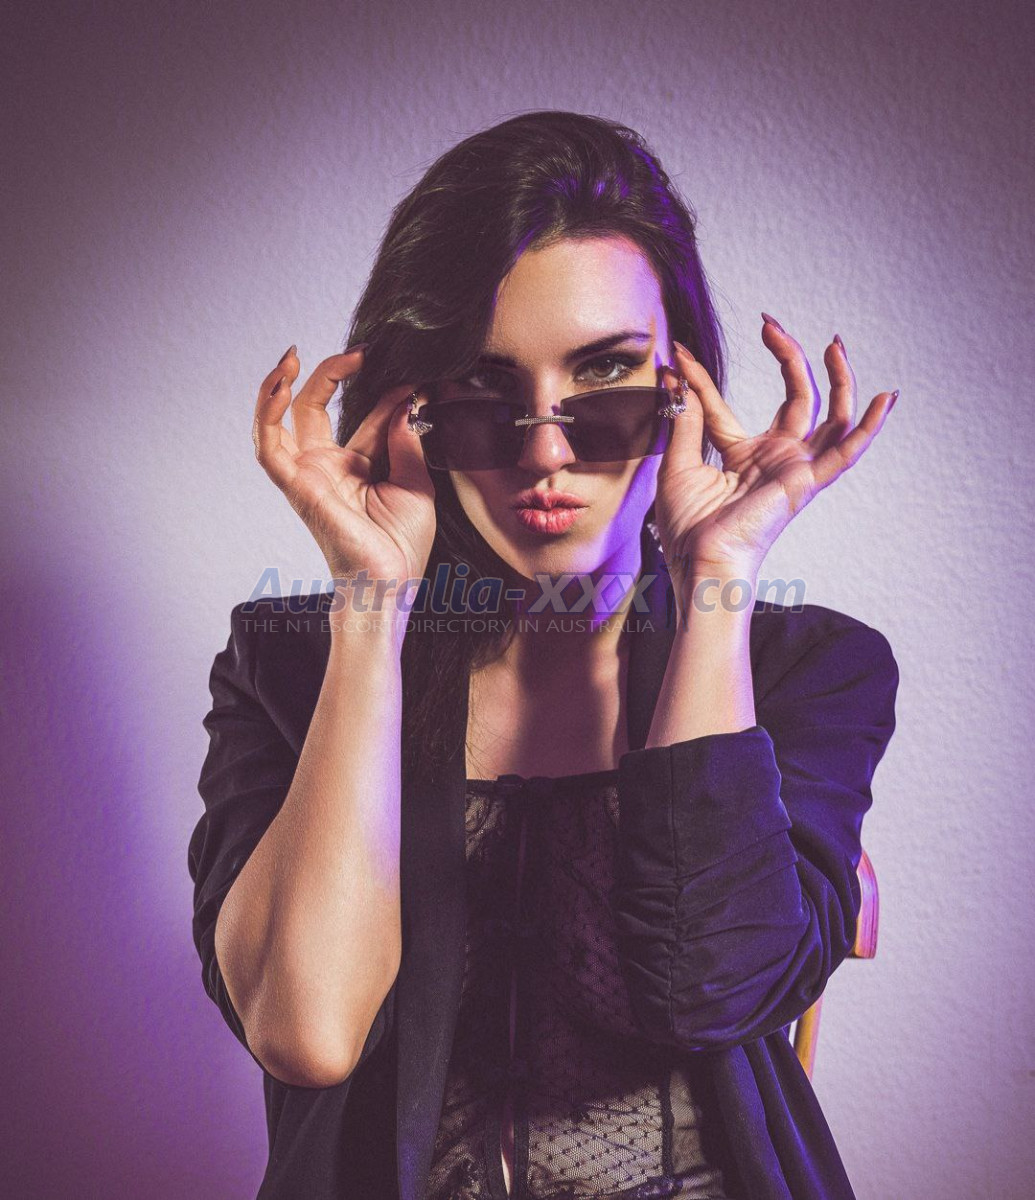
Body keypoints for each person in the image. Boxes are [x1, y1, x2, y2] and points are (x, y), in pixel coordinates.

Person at [188, 110, 900, 1200]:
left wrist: (714, 575)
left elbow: (712, 993)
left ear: (681, 389)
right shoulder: (288, 666)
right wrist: (372, 604)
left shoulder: (809, 672)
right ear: (413, 409)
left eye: (605, 376)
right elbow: (307, 1035)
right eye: (484, 392)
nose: (546, 453)